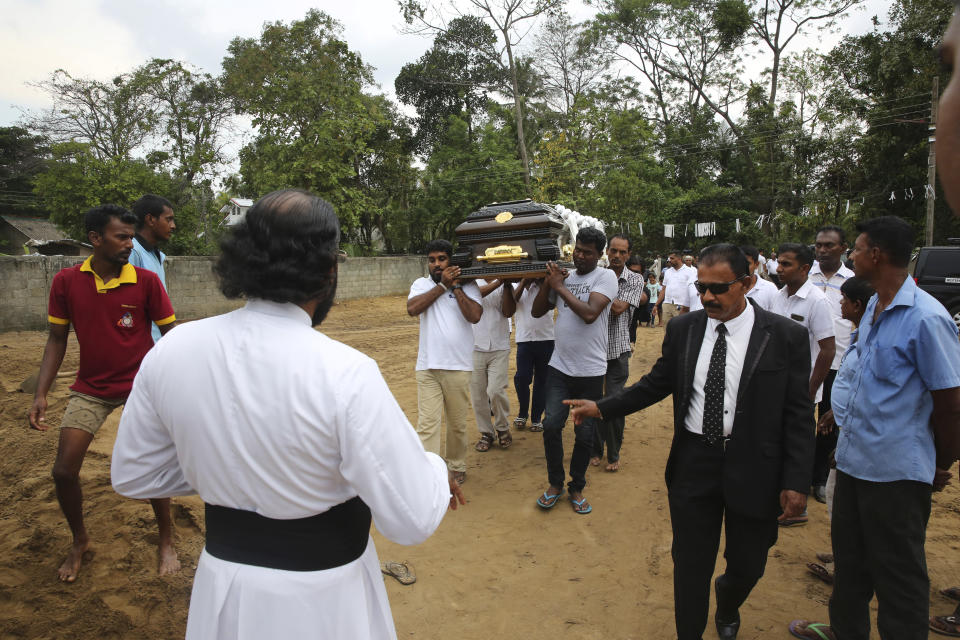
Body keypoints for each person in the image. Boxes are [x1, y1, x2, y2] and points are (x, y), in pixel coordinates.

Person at [111, 189, 465, 640]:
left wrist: (228, 470)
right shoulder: (345, 371)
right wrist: (434, 469)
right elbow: (412, 518)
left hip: (224, 587)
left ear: (241, 257)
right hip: (325, 599)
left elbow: (134, 473)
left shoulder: (172, 351)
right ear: (329, 268)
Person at [566, 243, 814, 640]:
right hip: (695, 462)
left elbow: (799, 414)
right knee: (691, 564)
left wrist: (796, 480)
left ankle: (729, 600)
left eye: (719, 288)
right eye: (701, 288)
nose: (707, 297)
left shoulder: (785, 336)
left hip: (756, 467)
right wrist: (602, 407)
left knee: (748, 564)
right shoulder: (683, 329)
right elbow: (655, 384)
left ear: (748, 283)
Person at [789, 216, 960, 640]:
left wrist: (940, 464)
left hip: (896, 474)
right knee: (850, 566)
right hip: (853, 463)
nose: (850, 256)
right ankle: (846, 632)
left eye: (857, 249)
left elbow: (951, 404)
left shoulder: (926, 319)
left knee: (899, 577)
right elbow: (863, 382)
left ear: (876, 255)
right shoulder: (873, 311)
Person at [28, 204, 178, 582]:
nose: (130, 244)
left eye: (131, 237)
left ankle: (166, 540)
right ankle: (79, 540)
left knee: (155, 467)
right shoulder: (66, 282)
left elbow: (172, 337)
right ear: (95, 239)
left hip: (140, 389)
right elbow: (56, 339)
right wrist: (41, 393)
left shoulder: (146, 281)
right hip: (90, 389)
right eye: (121, 237)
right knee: (63, 471)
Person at [531, 228, 618, 515]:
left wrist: (559, 287)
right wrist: (549, 283)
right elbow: (536, 311)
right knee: (552, 425)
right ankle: (555, 484)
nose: (580, 256)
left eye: (587, 252)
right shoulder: (564, 276)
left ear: (600, 255)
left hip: (591, 372)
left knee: (584, 434)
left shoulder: (605, 277)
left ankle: (576, 487)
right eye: (577, 249)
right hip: (559, 368)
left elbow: (591, 313)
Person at [804, 276, 874, 587]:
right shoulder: (864, 333)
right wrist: (834, 412)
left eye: (844, 300)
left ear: (857, 305)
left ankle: (850, 564)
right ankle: (844, 552)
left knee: (844, 500)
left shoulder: (872, 336)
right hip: (848, 428)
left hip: (861, 439)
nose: (839, 304)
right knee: (838, 498)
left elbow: (869, 391)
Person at [407, 239, 483, 485]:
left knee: (457, 424)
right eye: (432, 260)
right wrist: (441, 286)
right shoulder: (421, 284)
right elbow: (412, 309)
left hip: (458, 367)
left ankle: (456, 466)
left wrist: (456, 288)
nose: (437, 264)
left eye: (442, 259)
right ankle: (428, 472)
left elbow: (474, 315)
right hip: (427, 367)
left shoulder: (469, 285)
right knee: (427, 424)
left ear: (452, 260)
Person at [807, 226, 855, 504]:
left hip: (839, 362)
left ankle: (821, 478)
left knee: (829, 423)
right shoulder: (804, 276)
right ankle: (799, 476)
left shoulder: (852, 280)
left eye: (829, 245)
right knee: (802, 419)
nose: (823, 250)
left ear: (843, 248)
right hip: (807, 362)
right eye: (819, 245)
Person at [592, 234, 646, 472]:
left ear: (629, 254)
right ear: (607, 251)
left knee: (614, 402)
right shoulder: (596, 273)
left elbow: (617, 309)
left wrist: (601, 288)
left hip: (618, 349)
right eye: (613, 251)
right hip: (592, 350)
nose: (616, 256)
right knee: (594, 403)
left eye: (622, 252)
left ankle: (613, 454)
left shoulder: (635, 279)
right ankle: (595, 450)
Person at [470, 279, 513, 452]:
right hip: (474, 345)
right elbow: (475, 296)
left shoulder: (506, 281)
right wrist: (500, 281)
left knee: (495, 390)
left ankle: (503, 427)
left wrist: (507, 285)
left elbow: (509, 311)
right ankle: (486, 433)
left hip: (499, 345)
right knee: (478, 395)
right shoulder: (470, 281)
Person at [507, 278, 554, 432]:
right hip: (524, 339)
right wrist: (524, 281)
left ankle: (536, 418)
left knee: (542, 380)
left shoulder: (546, 284)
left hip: (546, 338)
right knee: (522, 378)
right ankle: (522, 412)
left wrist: (540, 280)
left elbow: (551, 299)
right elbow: (512, 302)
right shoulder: (515, 286)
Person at [129, 194, 176, 343]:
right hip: (142, 348)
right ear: (150, 220)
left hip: (158, 343)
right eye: (168, 219)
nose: (173, 225)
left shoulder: (157, 255)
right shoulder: (132, 252)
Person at [658, 251, 696, 323]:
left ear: (679, 258)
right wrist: (656, 305)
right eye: (669, 258)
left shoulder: (690, 271)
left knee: (681, 329)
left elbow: (693, 290)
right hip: (667, 304)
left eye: (672, 258)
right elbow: (663, 289)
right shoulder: (667, 272)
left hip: (682, 305)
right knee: (667, 329)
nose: (670, 260)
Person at [739, 245, 777, 311]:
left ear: (756, 264)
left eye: (747, 263)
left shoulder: (770, 289)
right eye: (739, 263)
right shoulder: (728, 287)